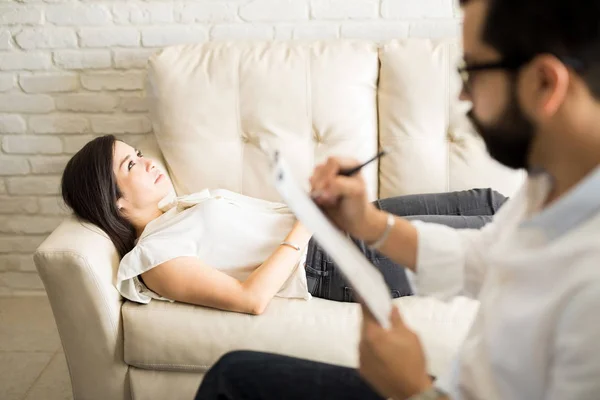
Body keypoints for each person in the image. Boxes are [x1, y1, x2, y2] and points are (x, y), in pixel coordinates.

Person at [195, 0, 600, 399]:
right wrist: (367, 224)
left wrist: (411, 388)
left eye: (472, 71)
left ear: (545, 83)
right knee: (234, 376)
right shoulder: (552, 178)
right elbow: (478, 257)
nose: (462, 95)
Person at [61, 134, 506, 314]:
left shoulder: (179, 209)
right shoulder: (153, 258)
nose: (147, 161)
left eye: (139, 153)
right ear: (113, 200)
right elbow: (250, 298)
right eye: (131, 164)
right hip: (334, 260)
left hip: (336, 223)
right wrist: (306, 224)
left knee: (485, 201)